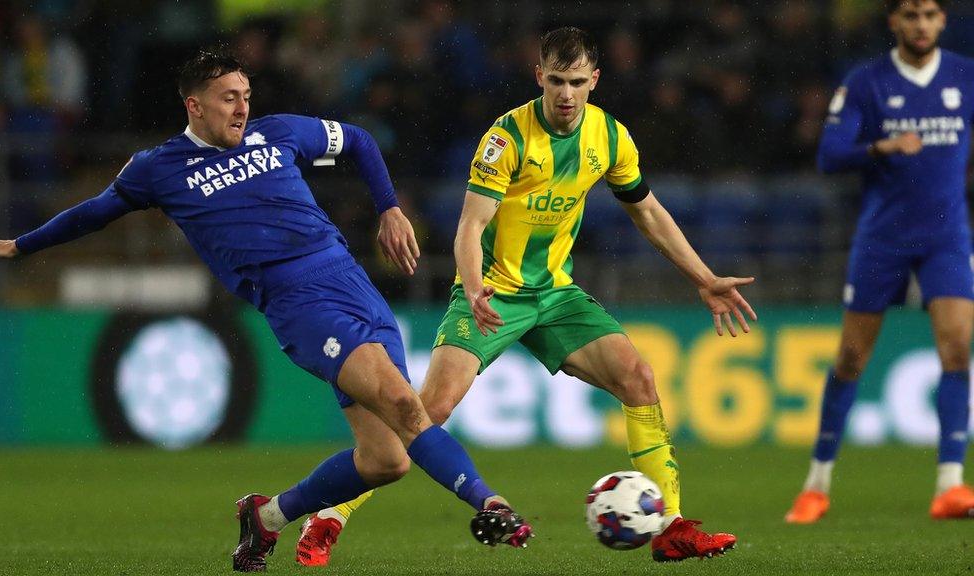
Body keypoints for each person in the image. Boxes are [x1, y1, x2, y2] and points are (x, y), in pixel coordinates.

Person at [0, 47, 534, 571]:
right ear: (195, 105)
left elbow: (358, 140)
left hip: (352, 282)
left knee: (386, 460)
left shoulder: (278, 133)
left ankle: (265, 518)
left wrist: (388, 207)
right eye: (228, 97)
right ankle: (489, 501)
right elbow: (93, 212)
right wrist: (21, 245)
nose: (242, 107)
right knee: (404, 405)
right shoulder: (157, 169)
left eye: (245, 95)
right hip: (299, 303)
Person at [298, 27, 756, 566]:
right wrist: (472, 288)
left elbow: (648, 211)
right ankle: (330, 516)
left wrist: (703, 278)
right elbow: (471, 225)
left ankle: (671, 527)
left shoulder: (610, 137)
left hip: (556, 295)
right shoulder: (507, 138)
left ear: (595, 81)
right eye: (557, 81)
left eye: (578, 82)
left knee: (639, 378)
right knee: (427, 413)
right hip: (493, 295)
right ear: (539, 76)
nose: (566, 94)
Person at [784, 0, 974, 524]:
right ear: (894, 21)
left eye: (930, 14)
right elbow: (829, 154)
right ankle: (816, 483)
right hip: (883, 239)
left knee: (958, 347)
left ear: (942, 21)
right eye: (910, 14)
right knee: (850, 358)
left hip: (946, 237)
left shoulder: (965, 75)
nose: (920, 24)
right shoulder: (866, 82)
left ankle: (951, 485)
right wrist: (882, 146)